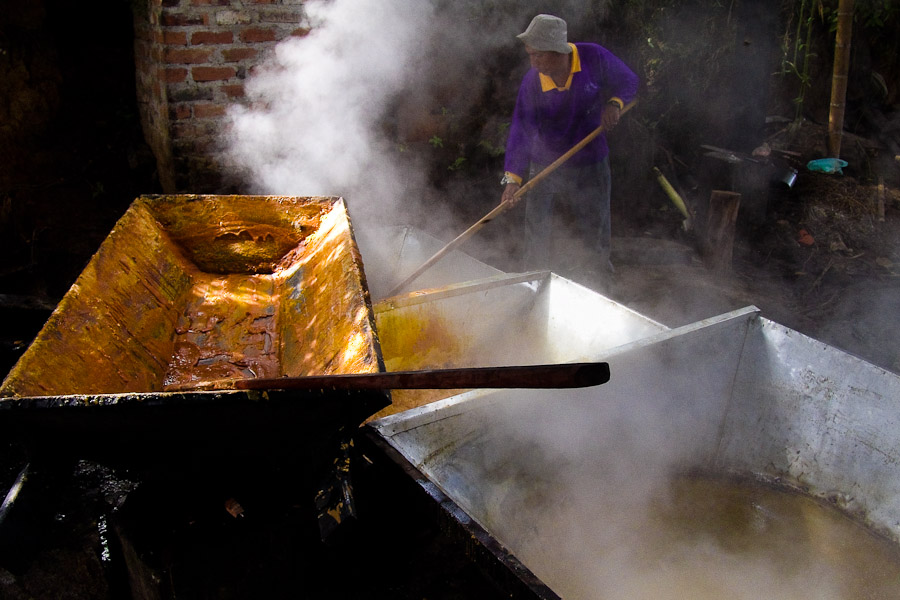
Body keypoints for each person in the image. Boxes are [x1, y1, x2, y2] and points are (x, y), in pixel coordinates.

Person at [501, 14, 638, 275]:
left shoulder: (593, 57)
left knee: (595, 233)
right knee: (536, 235)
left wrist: (615, 103)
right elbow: (522, 130)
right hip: (545, 164)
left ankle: (599, 289)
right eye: (530, 55)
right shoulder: (532, 81)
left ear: (558, 52)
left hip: (591, 161)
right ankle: (532, 286)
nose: (533, 62)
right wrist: (513, 179)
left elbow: (629, 81)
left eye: (538, 55)